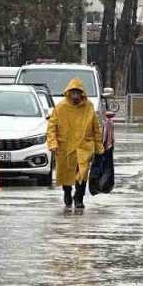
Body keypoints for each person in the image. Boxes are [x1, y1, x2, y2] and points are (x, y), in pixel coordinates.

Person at [46, 77, 105, 210]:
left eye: (77, 93)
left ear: (82, 93)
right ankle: (67, 193)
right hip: (65, 146)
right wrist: (53, 143)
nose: (75, 96)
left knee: (83, 174)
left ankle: (79, 197)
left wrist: (99, 146)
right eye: (73, 93)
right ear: (69, 93)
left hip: (84, 147)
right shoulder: (61, 107)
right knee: (66, 174)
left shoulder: (89, 106)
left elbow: (96, 128)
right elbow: (52, 127)